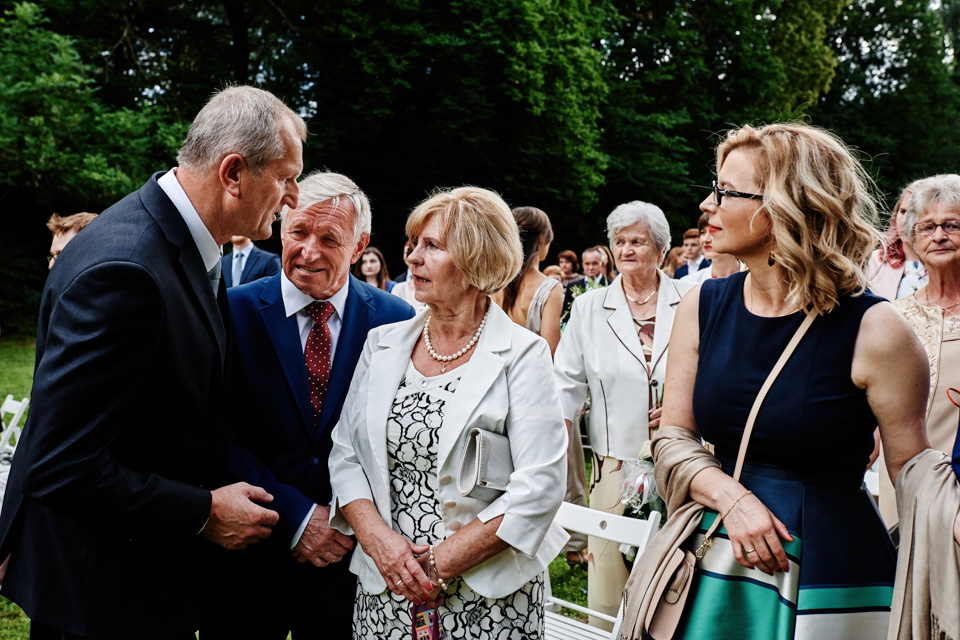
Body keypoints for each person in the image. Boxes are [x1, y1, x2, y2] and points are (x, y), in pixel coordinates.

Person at [0, 86, 303, 639]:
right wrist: (203, 511)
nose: (293, 197)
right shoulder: (128, 270)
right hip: (102, 599)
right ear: (233, 173)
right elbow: (59, 463)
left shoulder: (182, 242)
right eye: (286, 178)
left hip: (143, 584)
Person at [622, 122, 930, 639]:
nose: (706, 204)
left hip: (833, 571)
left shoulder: (876, 329)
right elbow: (673, 437)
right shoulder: (702, 305)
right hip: (717, 555)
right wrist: (731, 498)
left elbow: (914, 473)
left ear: (785, 206)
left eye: (725, 191)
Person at [328, 186, 568, 639]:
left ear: (479, 260)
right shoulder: (382, 344)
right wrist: (381, 545)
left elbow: (540, 486)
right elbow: (345, 454)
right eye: (414, 244)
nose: (413, 257)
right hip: (387, 586)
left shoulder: (523, 354)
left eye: (432, 246)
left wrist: (437, 565)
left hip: (487, 594)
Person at [203, 172, 414, 639]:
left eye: (329, 239)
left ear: (359, 247)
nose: (309, 251)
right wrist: (298, 518)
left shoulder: (396, 320)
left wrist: (349, 519)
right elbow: (213, 430)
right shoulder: (231, 310)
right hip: (249, 558)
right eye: (298, 232)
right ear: (281, 228)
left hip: (349, 562)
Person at [554, 201, 695, 629]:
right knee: (610, 572)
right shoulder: (589, 307)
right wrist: (556, 442)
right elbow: (565, 383)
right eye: (619, 241)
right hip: (611, 465)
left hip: (680, 459)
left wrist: (688, 406)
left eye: (638, 241)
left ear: (661, 248)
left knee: (674, 568)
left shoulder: (691, 300)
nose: (626, 249)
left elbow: (713, 371)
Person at [876, 174, 960, 526]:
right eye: (927, 227)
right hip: (900, 480)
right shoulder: (892, 317)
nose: (938, 236)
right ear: (912, 236)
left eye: (951, 225)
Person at [492, 206, 563, 355]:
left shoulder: (494, 282)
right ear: (542, 238)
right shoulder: (550, 289)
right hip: (531, 367)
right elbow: (550, 351)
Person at [866, 183, 928, 301]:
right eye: (903, 212)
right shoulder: (876, 260)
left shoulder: (946, 262)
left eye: (916, 213)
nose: (906, 221)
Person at [681, 211, 741, 283]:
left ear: (734, 235)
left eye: (714, 231)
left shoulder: (751, 280)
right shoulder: (689, 282)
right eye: (703, 232)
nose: (706, 239)